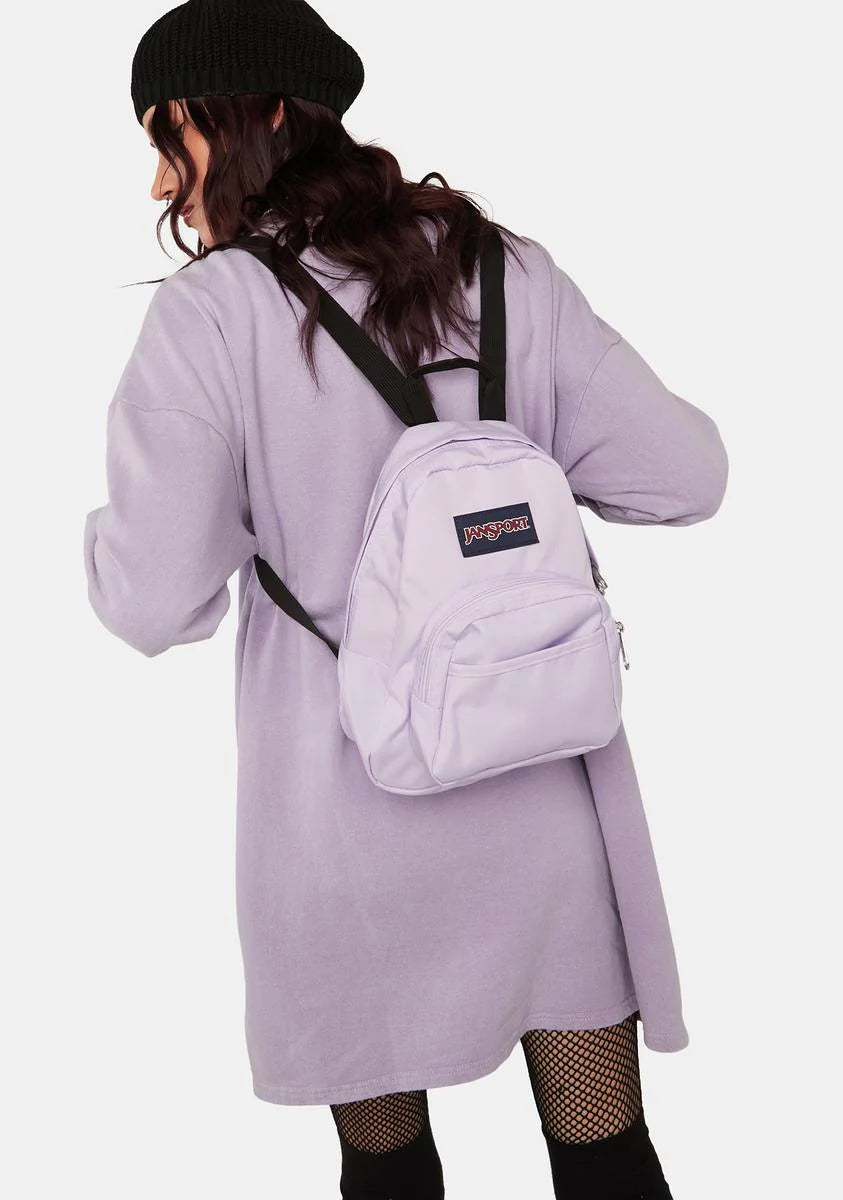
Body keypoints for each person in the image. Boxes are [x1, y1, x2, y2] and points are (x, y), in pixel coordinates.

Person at [83, 2, 729, 1196]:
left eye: (174, 134)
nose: (163, 176)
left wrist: (118, 533)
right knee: (606, 1160)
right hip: (547, 812)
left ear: (263, 115)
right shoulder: (505, 268)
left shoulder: (212, 313)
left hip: (346, 833)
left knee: (388, 1178)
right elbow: (688, 475)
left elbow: (151, 598)